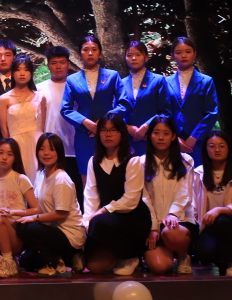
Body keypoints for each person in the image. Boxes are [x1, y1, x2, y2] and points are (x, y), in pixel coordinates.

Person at [81, 114, 150, 275]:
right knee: (94, 266)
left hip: (133, 217)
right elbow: (91, 194)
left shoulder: (132, 161)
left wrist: (103, 211)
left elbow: (131, 200)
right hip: (106, 221)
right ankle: (118, 256)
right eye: (104, 130)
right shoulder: (94, 161)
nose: (108, 134)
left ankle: (131, 256)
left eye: (113, 130)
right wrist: (87, 220)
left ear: (121, 133)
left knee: (99, 222)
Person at [60, 36, 132, 185]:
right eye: (86, 50)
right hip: (84, 135)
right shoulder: (72, 79)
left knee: (113, 178)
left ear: (100, 54)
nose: (90, 53)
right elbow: (65, 109)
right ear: (79, 54)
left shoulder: (112, 75)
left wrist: (105, 122)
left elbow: (124, 103)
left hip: (109, 133)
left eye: (94, 49)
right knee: (87, 180)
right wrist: (85, 122)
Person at [17, 134, 85, 277]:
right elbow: (37, 206)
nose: (46, 153)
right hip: (51, 230)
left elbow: (61, 214)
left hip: (69, 236)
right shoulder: (41, 174)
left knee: (26, 227)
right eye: (42, 149)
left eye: (51, 149)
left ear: (59, 153)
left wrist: (34, 218)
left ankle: (55, 260)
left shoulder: (61, 179)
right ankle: (64, 259)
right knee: (25, 261)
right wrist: (13, 212)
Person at [142, 116, 196, 274]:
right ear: (149, 135)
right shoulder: (140, 163)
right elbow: (144, 197)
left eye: (166, 133)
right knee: (160, 267)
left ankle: (183, 254)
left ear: (173, 136)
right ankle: (163, 253)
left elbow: (184, 192)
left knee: (171, 232)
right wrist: (153, 227)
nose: (160, 137)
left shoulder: (186, 161)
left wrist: (173, 214)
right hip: (153, 224)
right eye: (156, 133)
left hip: (179, 221)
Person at [192, 130, 232, 276]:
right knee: (203, 252)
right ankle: (221, 262)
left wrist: (219, 210)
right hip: (207, 226)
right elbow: (192, 205)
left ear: (229, 148)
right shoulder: (198, 173)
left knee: (222, 220)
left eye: (222, 146)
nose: (217, 149)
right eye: (212, 146)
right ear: (206, 149)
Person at [0, 138, 39, 278]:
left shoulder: (21, 179)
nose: (4, 157)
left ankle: (8, 262)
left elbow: (37, 209)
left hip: (15, 231)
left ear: (15, 158)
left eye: (9, 154)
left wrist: (11, 212)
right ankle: (2, 259)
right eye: (1, 152)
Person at [37, 46, 84, 206]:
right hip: (50, 148)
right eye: (54, 62)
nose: (58, 66)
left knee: (77, 191)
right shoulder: (40, 88)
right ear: (48, 64)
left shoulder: (77, 86)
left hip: (75, 147)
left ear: (68, 64)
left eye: (62, 62)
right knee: (51, 193)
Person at [163, 37, 219, 166]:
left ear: (194, 54)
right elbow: (163, 111)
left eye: (188, 52)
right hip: (172, 140)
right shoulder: (165, 82)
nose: (184, 55)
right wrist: (173, 136)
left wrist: (194, 137)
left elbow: (212, 112)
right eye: (178, 52)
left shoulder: (206, 81)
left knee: (199, 174)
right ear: (172, 56)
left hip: (199, 140)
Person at [0, 54, 46, 180]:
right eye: (18, 69)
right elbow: (4, 129)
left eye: (26, 70)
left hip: (36, 143)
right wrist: (9, 150)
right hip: (16, 144)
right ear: (12, 72)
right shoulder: (4, 99)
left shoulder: (40, 97)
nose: (22, 73)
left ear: (31, 73)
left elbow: (43, 127)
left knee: (38, 178)